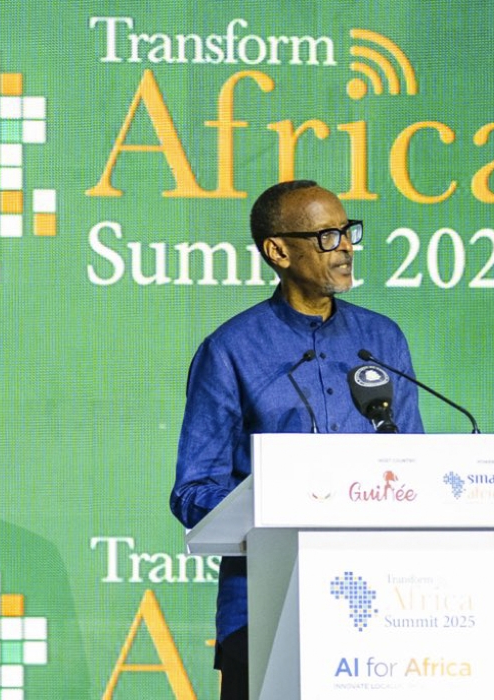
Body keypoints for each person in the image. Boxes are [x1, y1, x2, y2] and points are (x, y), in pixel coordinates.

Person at [170, 180, 424, 699]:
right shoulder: (231, 350)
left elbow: (414, 465)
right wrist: (283, 507)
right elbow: (194, 489)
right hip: (266, 605)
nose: (347, 247)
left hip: (380, 606)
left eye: (348, 231)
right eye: (327, 236)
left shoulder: (382, 340)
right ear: (278, 251)